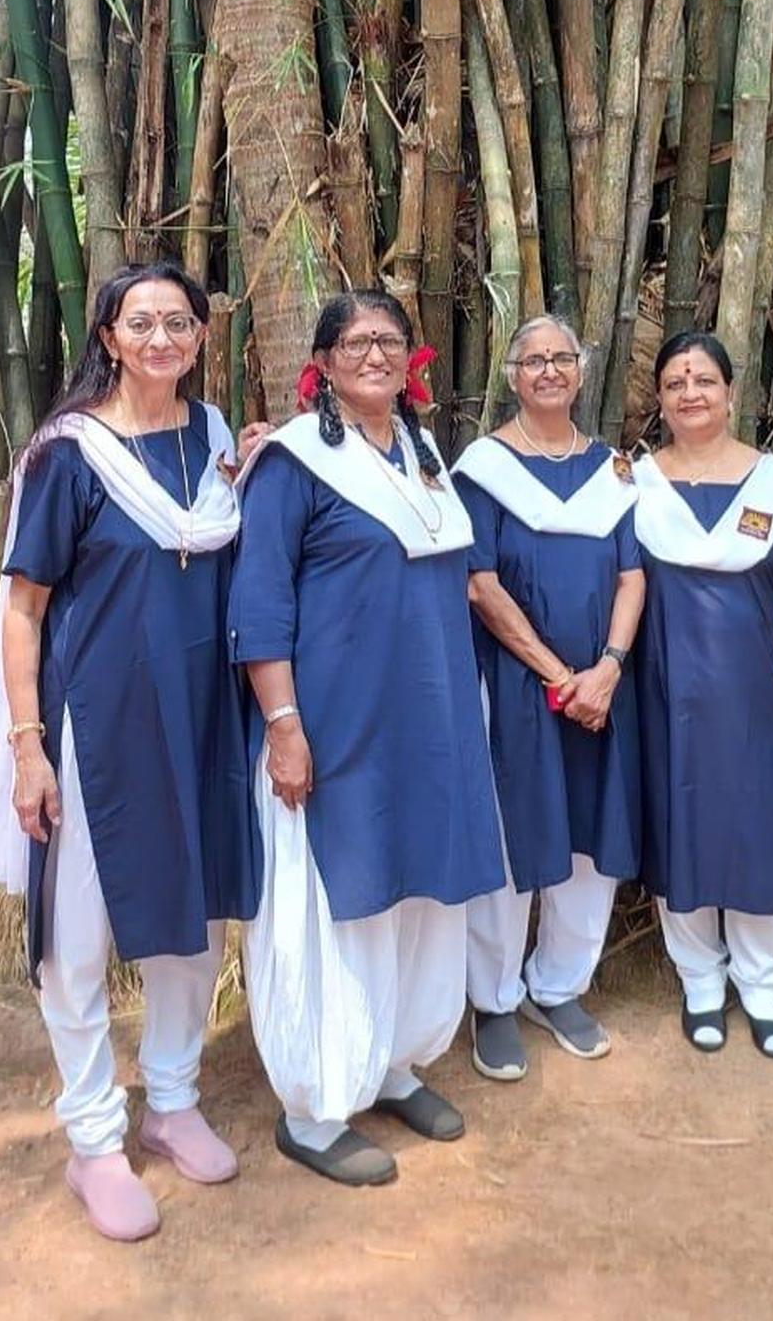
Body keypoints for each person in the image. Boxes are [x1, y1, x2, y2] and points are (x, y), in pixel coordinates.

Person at [0, 262, 262, 1242]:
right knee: (80, 934)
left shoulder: (217, 437)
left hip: (201, 716)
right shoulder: (69, 456)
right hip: (94, 723)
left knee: (193, 918)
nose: (162, 337)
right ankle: (95, 1138)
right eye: (141, 321)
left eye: (179, 321)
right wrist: (27, 744)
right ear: (107, 335)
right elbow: (23, 609)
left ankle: (172, 1100)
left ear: (201, 335)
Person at [228, 290, 504, 1188]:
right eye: (355, 341)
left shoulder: (426, 456)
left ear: (411, 360)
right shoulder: (295, 464)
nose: (376, 354)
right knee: (336, 899)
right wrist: (283, 726)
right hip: (339, 726)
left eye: (390, 339)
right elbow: (261, 603)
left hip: (431, 721)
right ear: (324, 363)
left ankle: (389, 1064)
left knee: (419, 894)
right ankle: (313, 1108)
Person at [633, 333, 773, 1058]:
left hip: (758, 697)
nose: (690, 393)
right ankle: (700, 982)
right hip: (663, 694)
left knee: (759, 833)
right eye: (675, 382)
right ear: (659, 399)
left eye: (704, 380)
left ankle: (762, 982)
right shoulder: (636, 486)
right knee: (679, 829)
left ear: (730, 391)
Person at [453, 315, 644, 1082]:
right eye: (532, 360)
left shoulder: (614, 471)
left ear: (582, 369)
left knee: (589, 840)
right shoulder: (483, 467)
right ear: (510, 376)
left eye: (561, 357)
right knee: (511, 839)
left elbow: (633, 575)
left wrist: (608, 666)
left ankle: (558, 986)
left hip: (603, 687)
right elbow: (479, 582)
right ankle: (495, 999)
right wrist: (555, 673)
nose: (548, 371)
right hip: (515, 681)